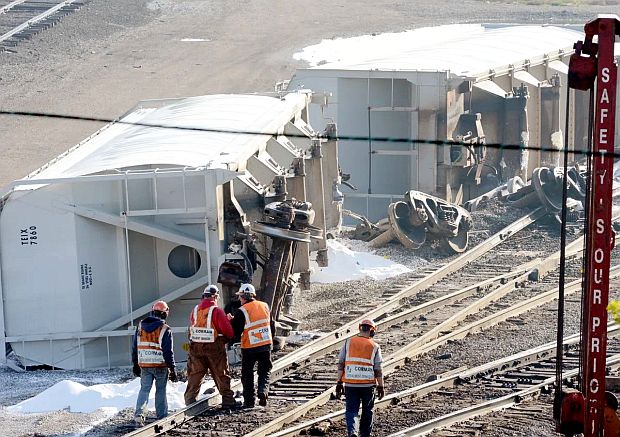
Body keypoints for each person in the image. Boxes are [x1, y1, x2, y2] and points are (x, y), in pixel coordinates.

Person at [184, 284, 236, 408]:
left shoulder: (195, 310)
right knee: (221, 373)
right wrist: (228, 323)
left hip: (196, 347)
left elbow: (195, 324)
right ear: (215, 296)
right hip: (214, 347)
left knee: (195, 374)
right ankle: (228, 401)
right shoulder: (217, 311)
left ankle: (190, 401)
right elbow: (228, 331)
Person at [335, 319, 385, 437]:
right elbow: (378, 369)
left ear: (360, 328)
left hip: (351, 384)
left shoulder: (348, 343)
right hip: (368, 385)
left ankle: (353, 431)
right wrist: (381, 386)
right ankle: (364, 434)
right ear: (372, 331)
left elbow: (341, 364)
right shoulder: (375, 346)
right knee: (368, 411)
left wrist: (339, 383)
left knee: (351, 410)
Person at [132, 300, 178, 426]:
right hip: (160, 366)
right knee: (161, 390)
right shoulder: (165, 329)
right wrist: (173, 369)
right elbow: (168, 352)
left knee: (144, 390)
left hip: (145, 365)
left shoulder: (140, 325)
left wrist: (135, 364)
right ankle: (162, 416)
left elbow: (134, 346)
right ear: (165, 314)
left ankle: (139, 415)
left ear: (152, 312)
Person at [229, 283, 273, 408]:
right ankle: (263, 391)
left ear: (242, 297)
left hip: (249, 348)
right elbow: (271, 324)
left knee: (247, 374)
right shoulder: (265, 306)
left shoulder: (241, 311)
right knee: (264, 371)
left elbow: (236, 332)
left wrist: (232, 321)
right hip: (265, 345)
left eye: (240, 297)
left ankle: (249, 402)